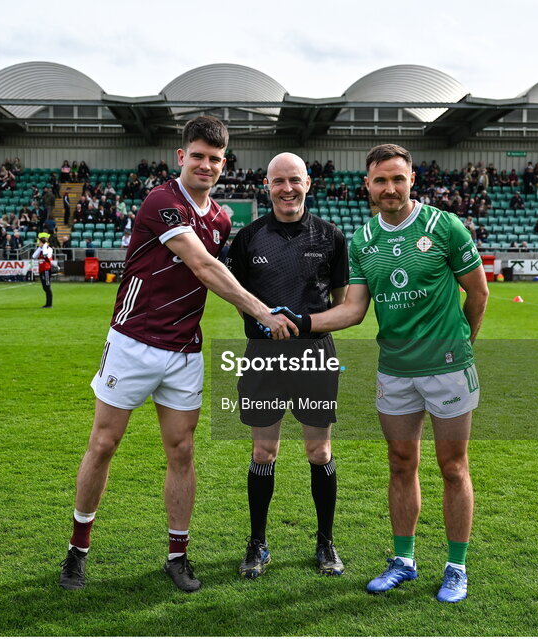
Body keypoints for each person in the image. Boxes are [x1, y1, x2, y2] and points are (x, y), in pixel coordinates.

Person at [58, 116, 296, 593]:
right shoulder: (162, 202)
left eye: (215, 159)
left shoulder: (223, 218)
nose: (206, 165)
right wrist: (263, 312)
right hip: (133, 343)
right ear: (180, 156)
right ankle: (77, 550)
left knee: (182, 451)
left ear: (223, 164)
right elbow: (205, 267)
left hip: (185, 351)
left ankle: (177, 555)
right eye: (198, 156)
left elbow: (229, 268)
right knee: (103, 444)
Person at [298, 144, 488, 603]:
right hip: (395, 371)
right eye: (380, 180)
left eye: (397, 179)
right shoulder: (363, 240)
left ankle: (456, 567)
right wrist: (301, 322)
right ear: (368, 185)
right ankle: (403, 560)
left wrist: (461, 347)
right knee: (402, 464)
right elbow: (354, 310)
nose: (389, 188)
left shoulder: (444, 226)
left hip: (447, 369)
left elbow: (478, 294)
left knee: (453, 466)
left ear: (411, 181)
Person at [228, 153, 349, 580]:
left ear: (308, 183)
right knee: (264, 451)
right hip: (263, 358)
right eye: (279, 181)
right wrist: (263, 320)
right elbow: (236, 295)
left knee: (319, 452)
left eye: (294, 180)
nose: (287, 188)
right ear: (267, 185)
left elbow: (342, 305)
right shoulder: (247, 238)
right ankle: (257, 542)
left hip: (315, 355)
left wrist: (305, 325)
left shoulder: (331, 237)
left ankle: (325, 541)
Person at [33, 234, 53, 308]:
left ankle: (49, 304)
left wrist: (44, 246)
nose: (39, 243)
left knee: (47, 287)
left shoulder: (49, 249)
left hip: (46, 270)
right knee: (44, 287)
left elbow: (45, 254)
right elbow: (34, 256)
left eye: (40, 242)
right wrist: (39, 248)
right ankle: (47, 304)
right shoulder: (40, 249)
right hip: (41, 270)